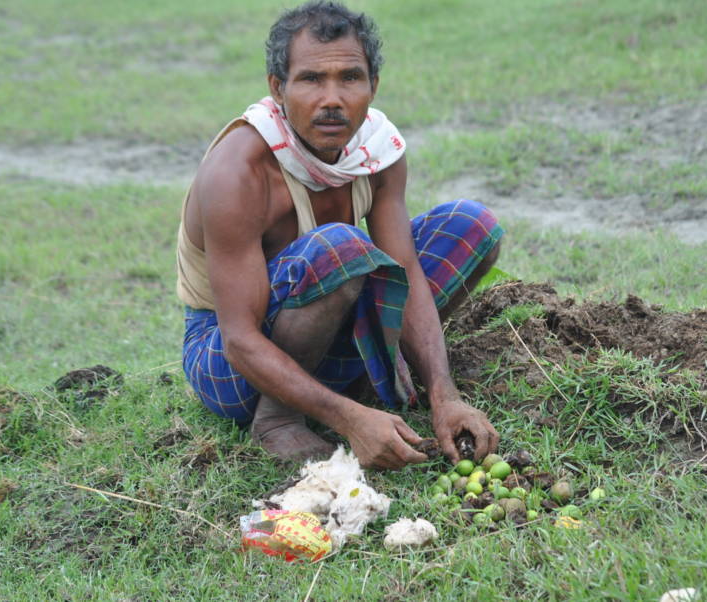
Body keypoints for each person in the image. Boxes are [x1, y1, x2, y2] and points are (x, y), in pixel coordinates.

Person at [176, 1, 503, 469]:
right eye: (311, 79)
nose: (332, 99)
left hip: (331, 322)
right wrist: (349, 421)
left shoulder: (378, 151)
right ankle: (279, 419)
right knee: (342, 247)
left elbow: (405, 271)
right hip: (229, 366)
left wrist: (444, 396)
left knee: (472, 226)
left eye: (350, 77)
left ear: (373, 85)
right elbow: (239, 341)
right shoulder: (238, 171)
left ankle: (367, 378)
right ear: (278, 88)